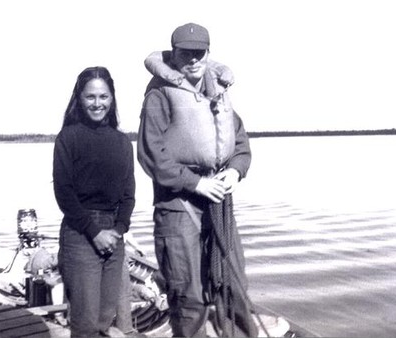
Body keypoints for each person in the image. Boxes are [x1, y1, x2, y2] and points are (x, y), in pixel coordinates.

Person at [137, 23, 257, 337]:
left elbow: (241, 145)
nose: (192, 60)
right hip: (178, 208)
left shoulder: (218, 90)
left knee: (233, 287)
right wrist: (196, 183)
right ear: (173, 55)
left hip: (219, 206)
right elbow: (151, 154)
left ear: (207, 53)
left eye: (198, 52)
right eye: (185, 53)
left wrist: (234, 171)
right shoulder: (159, 94)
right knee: (188, 296)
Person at [53, 66, 135, 337]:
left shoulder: (122, 142)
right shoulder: (69, 137)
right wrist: (94, 232)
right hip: (81, 233)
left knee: (104, 317)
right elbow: (64, 193)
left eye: (103, 96)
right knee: (86, 323)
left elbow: (128, 194)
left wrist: (119, 229)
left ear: (112, 99)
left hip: (114, 233)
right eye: (90, 97)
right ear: (79, 98)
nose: (97, 103)